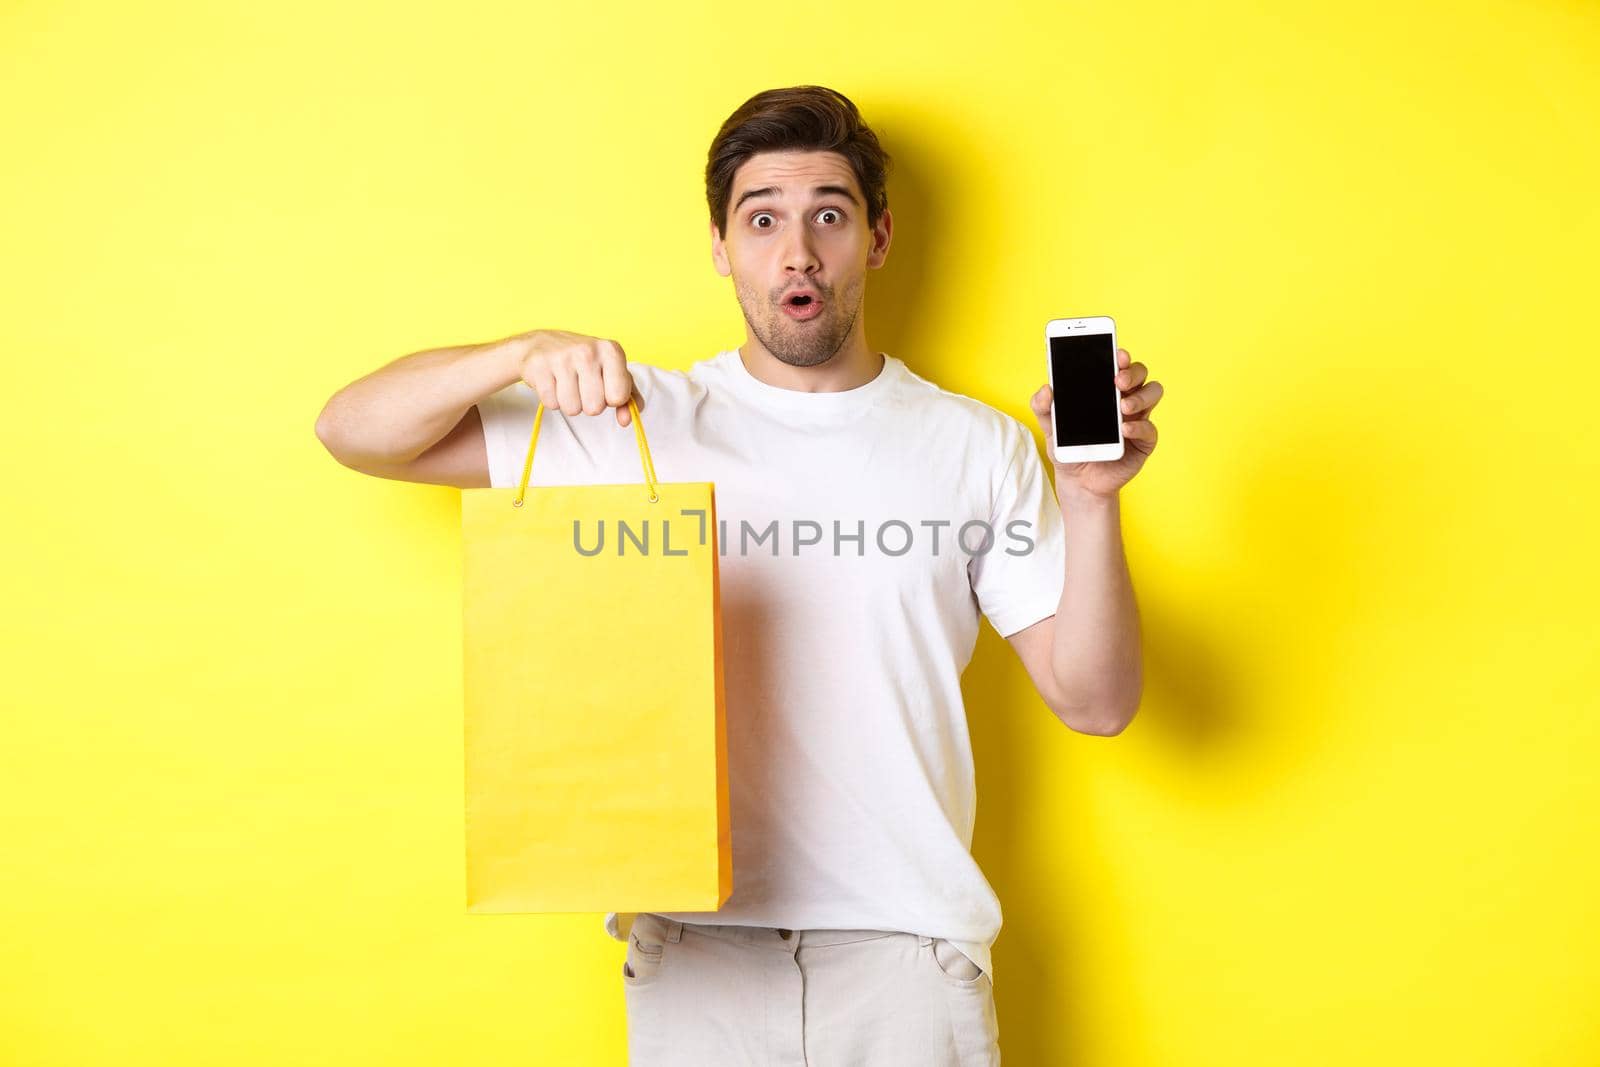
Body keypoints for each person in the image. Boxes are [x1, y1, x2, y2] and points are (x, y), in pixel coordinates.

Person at [315, 84, 1161, 1067]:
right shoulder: (629, 422)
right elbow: (352, 430)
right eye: (761, 220)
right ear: (721, 246)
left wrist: (1093, 497)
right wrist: (515, 352)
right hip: (695, 955)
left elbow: (1096, 700)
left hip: (908, 955)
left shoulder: (974, 446)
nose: (795, 251)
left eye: (828, 217)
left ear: (877, 238)